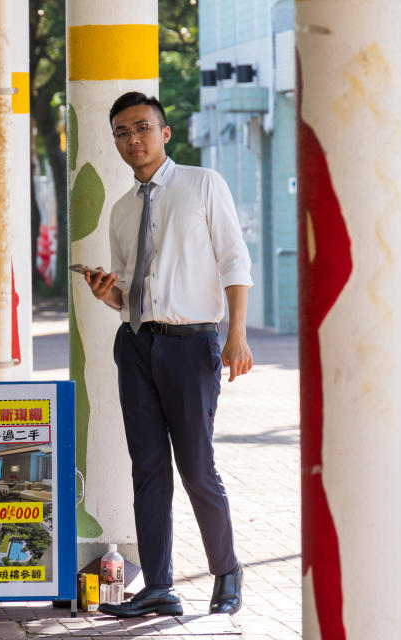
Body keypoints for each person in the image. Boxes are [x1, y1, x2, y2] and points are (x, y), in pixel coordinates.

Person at [84, 92, 252, 618]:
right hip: (136, 343)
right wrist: (105, 291)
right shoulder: (121, 209)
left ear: (165, 131)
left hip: (191, 341)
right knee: (148, 467)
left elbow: (233, 260)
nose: (133, 140)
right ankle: (159, 585)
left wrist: (237, 334)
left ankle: (226, 571)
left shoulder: (203, 185)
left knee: (197, 466)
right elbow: (127, 292)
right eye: (122, 133)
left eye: (142, 128)